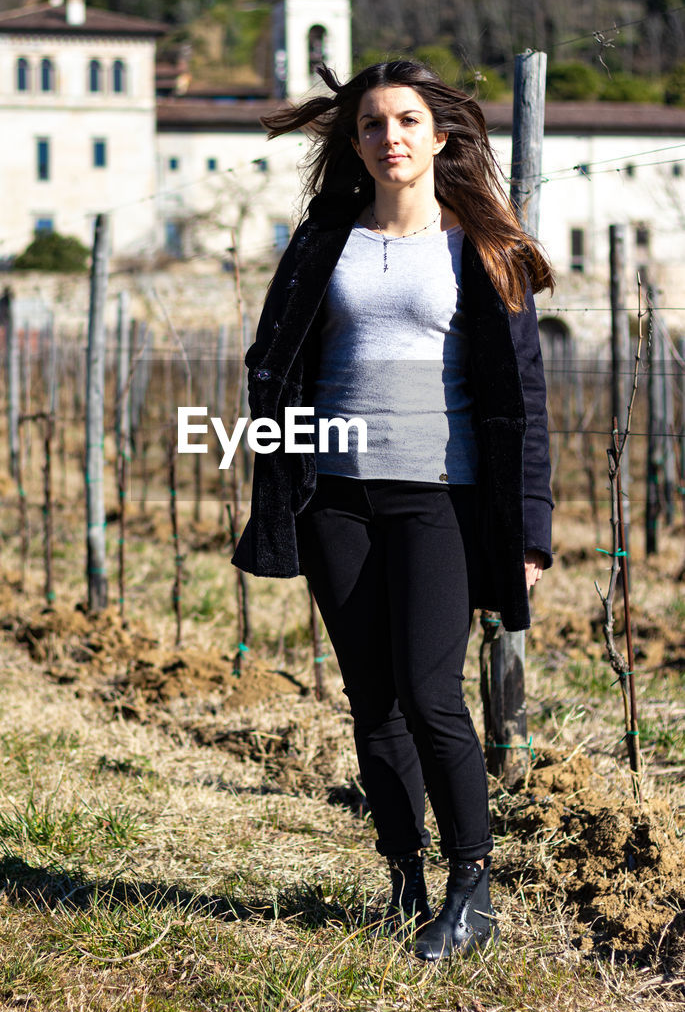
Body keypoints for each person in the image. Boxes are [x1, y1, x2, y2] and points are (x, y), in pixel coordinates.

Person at [232, 58, 554, 962]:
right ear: (357, 143)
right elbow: (276, 361)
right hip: (336, 495)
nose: (391, 137)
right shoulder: (320, 243)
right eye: (372, 124)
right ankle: (403, 877)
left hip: (438, 499)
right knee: (371, 701)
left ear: (440, 135)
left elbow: (522, 399)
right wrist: (277, 471)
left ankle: (473, 884)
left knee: (429, 695)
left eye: (407, 120)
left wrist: (529, 525)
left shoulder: (480, 248)